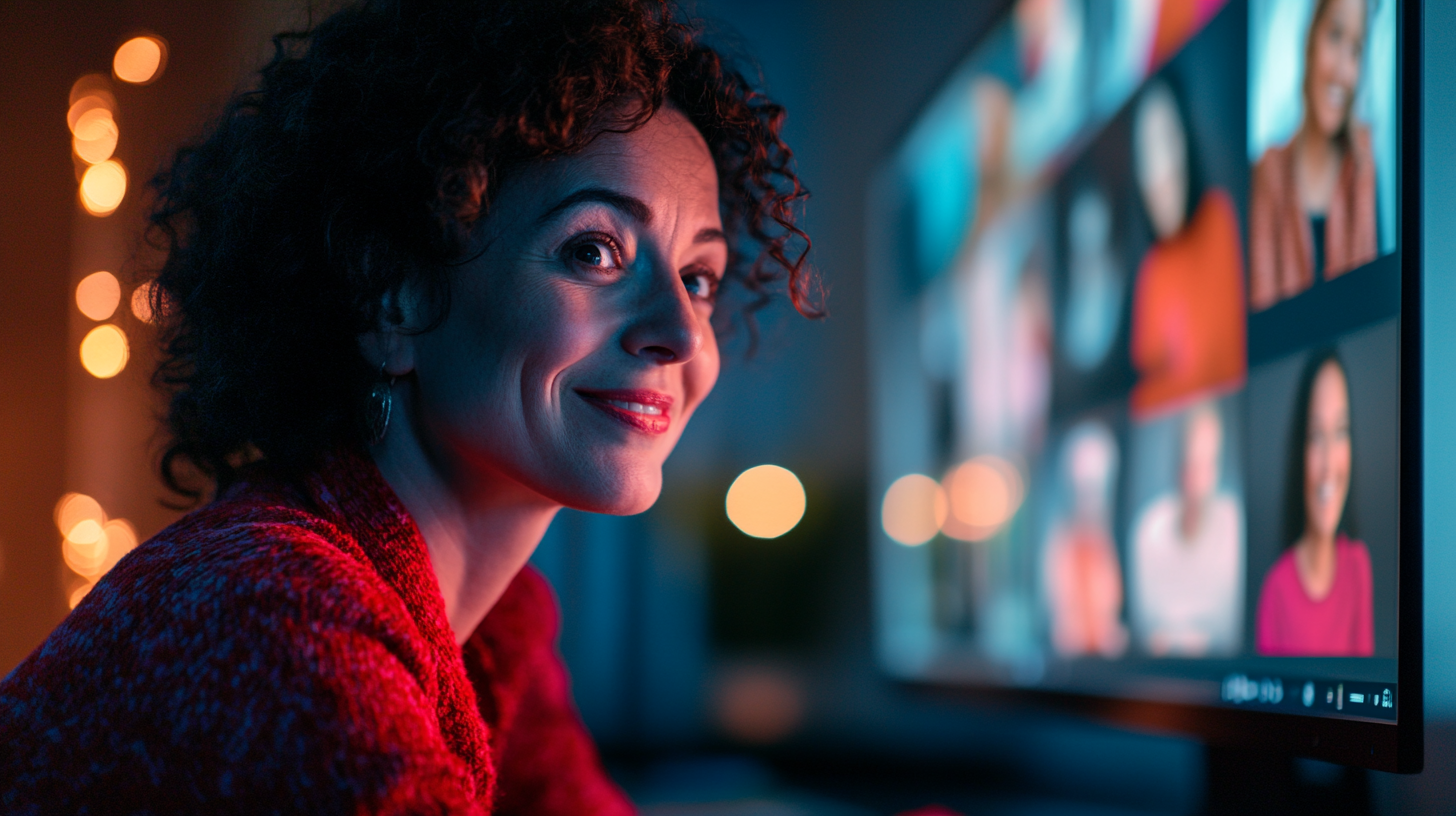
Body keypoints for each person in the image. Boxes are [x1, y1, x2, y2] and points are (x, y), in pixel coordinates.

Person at [0, 1, 815, 812]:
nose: (679, 332)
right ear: (395, 299)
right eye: (594, 250)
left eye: (699, 277)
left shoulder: (498, 631)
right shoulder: (275, 608)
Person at [1127, 79, 1246, 419]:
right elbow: (1144, 401)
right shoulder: (1151, 269)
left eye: (1166, 142)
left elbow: (1219, 371)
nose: (1159, 170)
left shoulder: (1217, 220)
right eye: (1146, 153)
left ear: (1186, 142)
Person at [1250, 0, 1376, 311]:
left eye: (1356, 50)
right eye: (1334, 36)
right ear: (1310, 40)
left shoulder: (1366, 168)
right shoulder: (1264, 174)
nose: (1343, 72)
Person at [1256, 350, 1374, 656]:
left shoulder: (1358, 567)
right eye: (1315, 437)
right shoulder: (1275, 591)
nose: (1328, 466)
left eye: (1340, 432)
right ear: (1299, 451)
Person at [1130, 403, 1244, 657]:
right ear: (1177, 467)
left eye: (1207, 465)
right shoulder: (1149, 529)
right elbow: (1142, 629)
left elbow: (1235, 631)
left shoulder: (1234, 529)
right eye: (1191, 466)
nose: (1197, 483)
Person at [1043, 422, 1128, 658]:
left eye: (1093, 487)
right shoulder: (1060, 545)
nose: (1087, 498)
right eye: (1081, 488)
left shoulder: (1115, 540)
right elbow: (1062, 629)